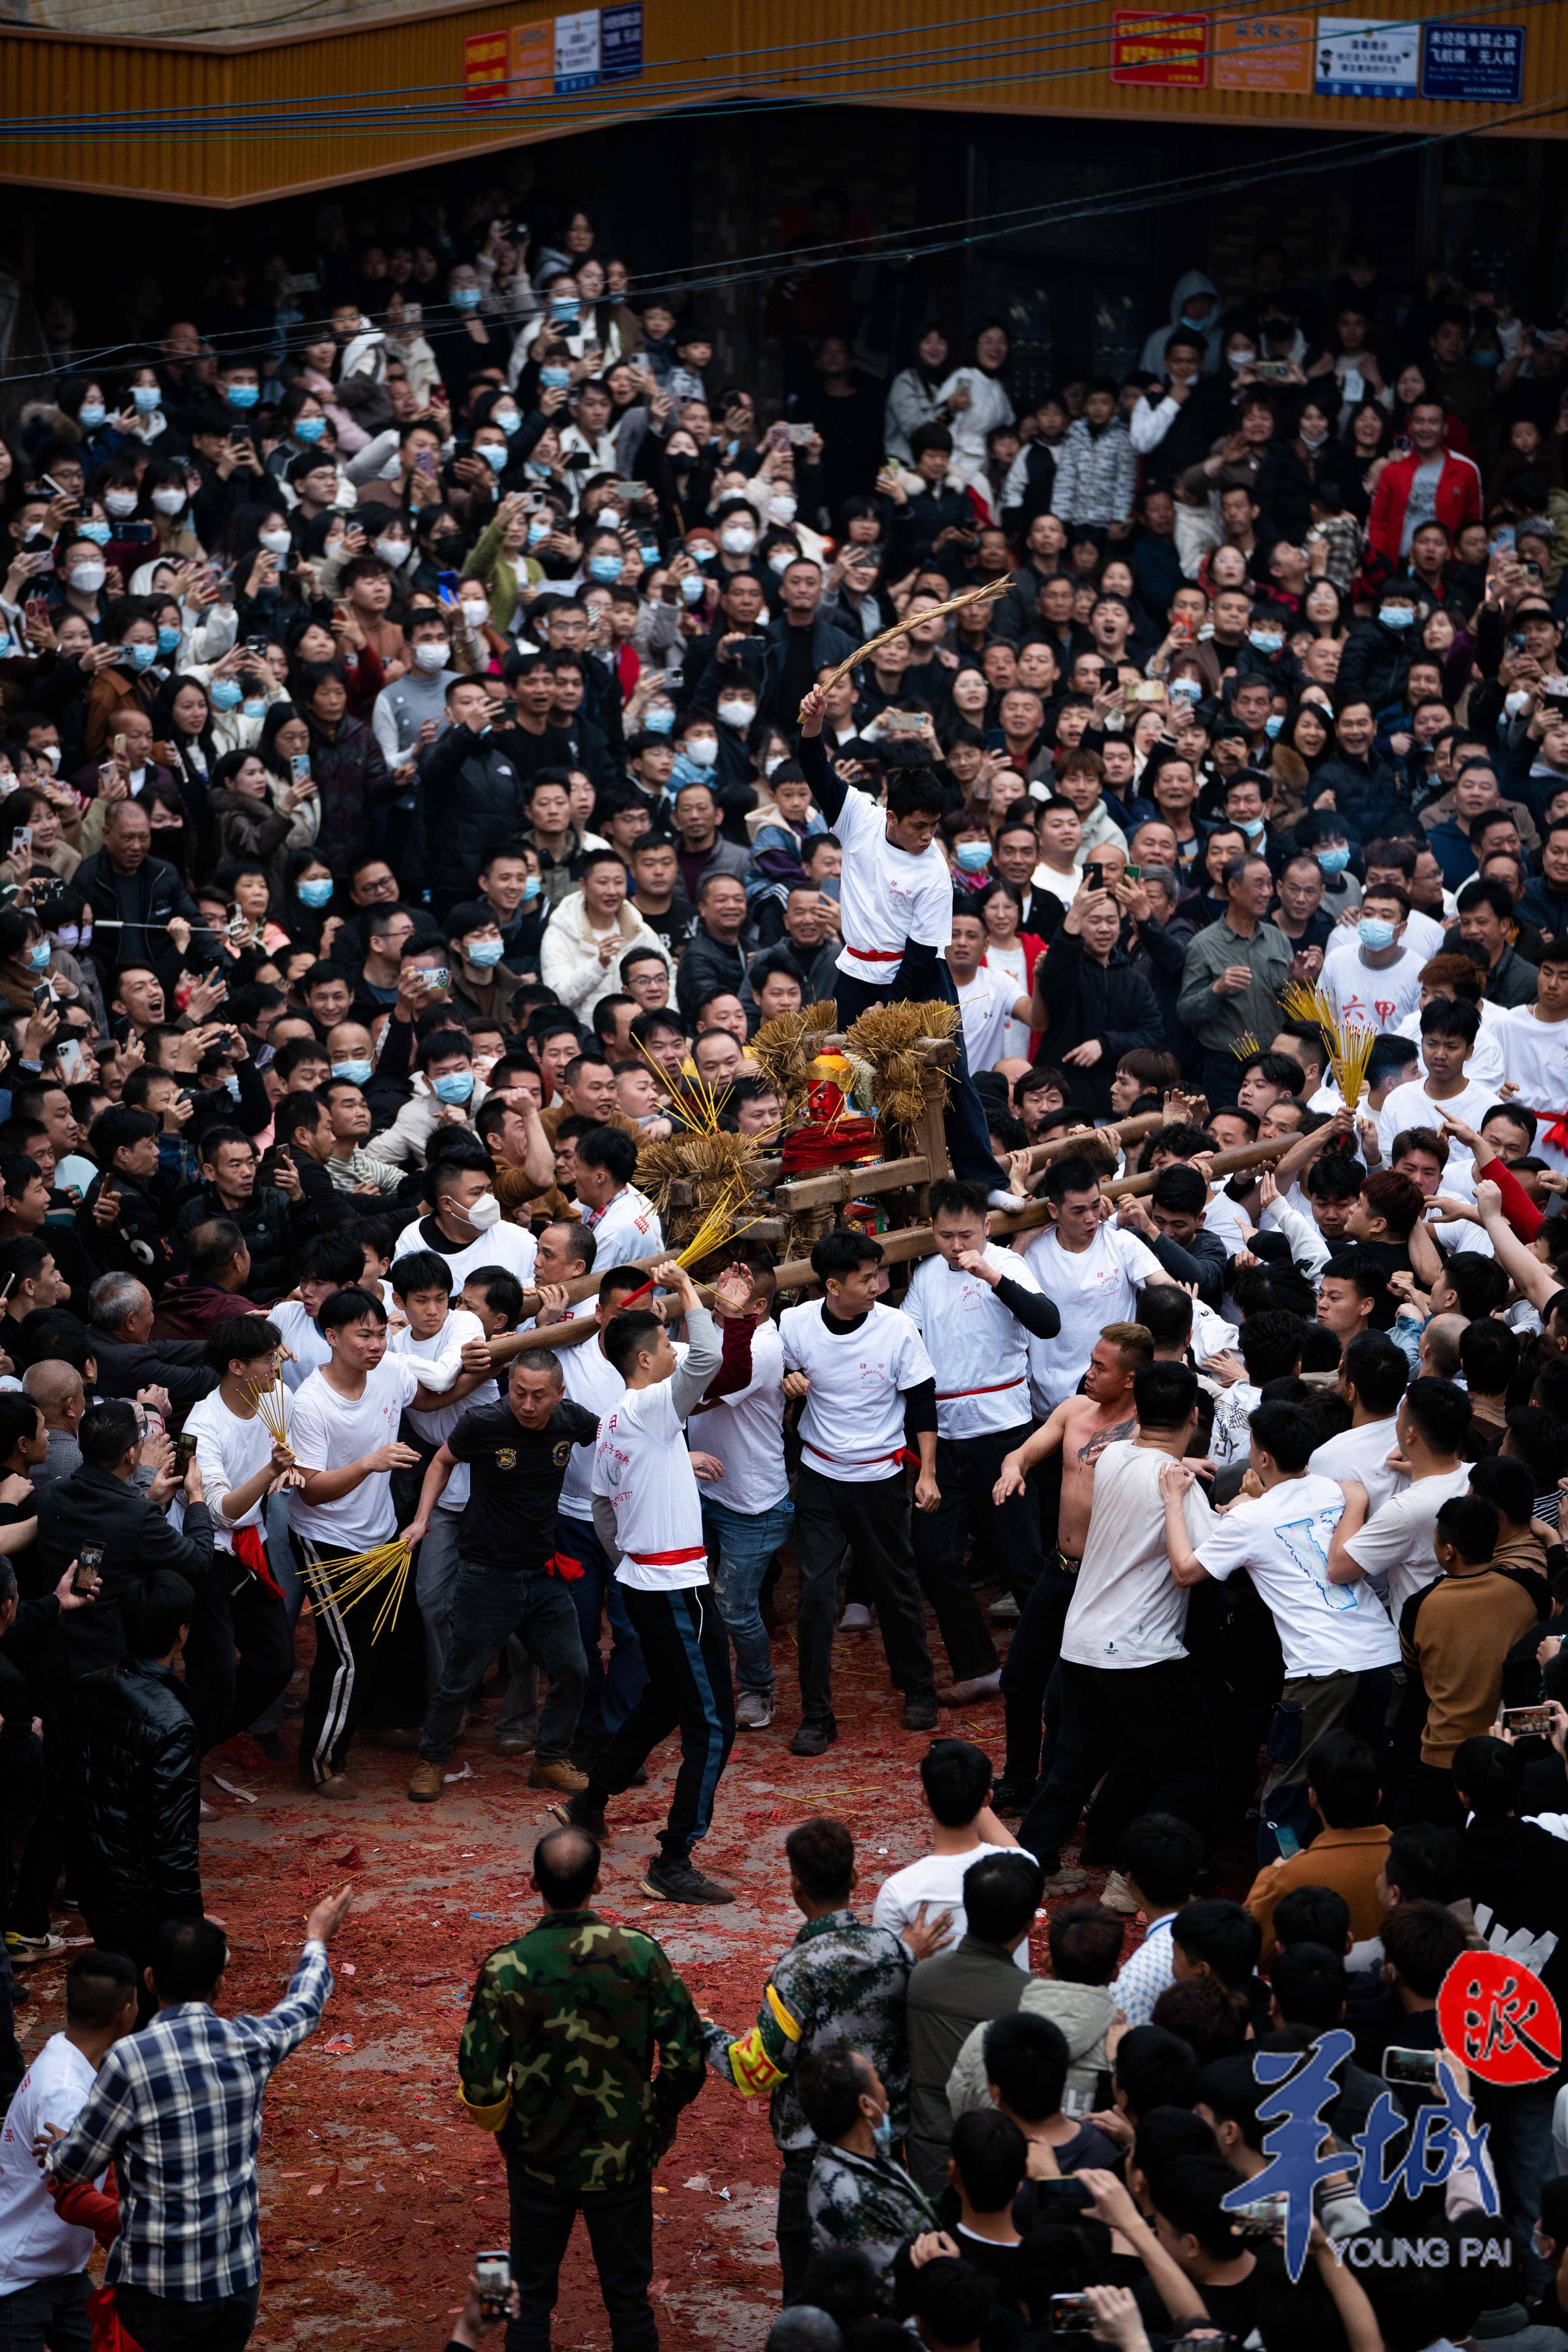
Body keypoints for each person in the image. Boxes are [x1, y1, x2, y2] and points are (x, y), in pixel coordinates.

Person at [44, 1886, 354, 2352]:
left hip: (158, 2291)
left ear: (149, 1981)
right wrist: (316, 1937)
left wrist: (59, 2148)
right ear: (220, 1986)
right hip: (236, 2285)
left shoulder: (130, 2060)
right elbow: (304, 2006)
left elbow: (74, 2168)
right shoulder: (250, 2043)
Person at [456, 1825, 705, 2352]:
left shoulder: (507, 1967)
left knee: (527, 2299)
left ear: (533, 1884)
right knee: (629, 2302)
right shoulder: (641, 1954)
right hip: (623, 2157)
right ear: (599, 1883)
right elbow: (687, 2057)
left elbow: (479, 2083)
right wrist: (660, 2115)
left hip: (538, 2158)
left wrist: (508, 2131)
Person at [555, 1261, 744, 1905]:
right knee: (714, 1723)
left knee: (665, 1701)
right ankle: (675, 1857)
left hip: (647, 1579)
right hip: (675, 1586)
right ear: (643, 1359)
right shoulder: (650, 1406)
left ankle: (590, 1799)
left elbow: (604, 1508)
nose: (674, 1349)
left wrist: (629, 1561)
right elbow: (709, 1358)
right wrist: (692, 1288)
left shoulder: (613, 1419)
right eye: (664, 1343)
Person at [795, 685, 1020, 1206]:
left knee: (952, 1076)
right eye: (919, 826)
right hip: (854, 971)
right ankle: (853, 1186)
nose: (927, 836)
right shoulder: (860, 816)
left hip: (917, 979)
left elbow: (922, 956)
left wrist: (890, 1006)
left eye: (934, 827)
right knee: (848, 1076)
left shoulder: (935, 872)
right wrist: (814, 722)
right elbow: (815, 768)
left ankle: (985, 1183)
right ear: (892, 816)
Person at [1162, 1398, 1401, 1859]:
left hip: (1321, 1671)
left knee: (1288, 1795)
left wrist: (1175, 1502)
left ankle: (1283, 1880)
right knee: (1368, 1784)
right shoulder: (1336, 1491)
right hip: (1382, 1656)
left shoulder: (1252, 1518)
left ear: (1263, 1458)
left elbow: (1186, 1571)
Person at [703, 1816, 927, 2305]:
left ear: (795, 1887)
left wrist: (699, 2030)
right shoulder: (896, 1954)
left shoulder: (796, 1970)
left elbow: (755, 2068)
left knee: (810, 2308)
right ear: (854, 1879)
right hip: (887, 2153)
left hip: (812, 2167)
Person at [1015, 1362, 1213, 1887]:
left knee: (1073, 1767)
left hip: (1082, 1641)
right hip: (1140, 1651)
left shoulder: (1114, 1455)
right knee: (1190, 1767)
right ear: (1194, 1415)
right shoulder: (1182, 1491)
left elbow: (1144, 1456)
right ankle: (1135, 1878)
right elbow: (1209, 1561)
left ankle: (1032, 1866)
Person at [286, 1283, 469, 1799]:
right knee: (343, 1656)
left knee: (375, 1644)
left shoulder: (390, 1371)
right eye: (363, 1336)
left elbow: (432, 1398)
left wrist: (484, 1372)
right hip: (326, 1541)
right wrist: (370, 1463)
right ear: (332, 1337)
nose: (376, 1345)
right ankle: (320, 1764)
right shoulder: (311, 1403)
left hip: (381, 1536)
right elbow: (313, 1491)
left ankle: (365, 1728)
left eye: (380, 1334)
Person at [401, 1349, 601, 1803]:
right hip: (486, 1573)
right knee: (460, 1678)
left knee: (573, 1670)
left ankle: (549, 1758)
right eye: (519, 1393)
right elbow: (441, 1462)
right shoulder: (484, 1423)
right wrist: (421, 1519)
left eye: (538, 1396)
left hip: (544, 1573)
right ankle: (431, 1760)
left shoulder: (572, 1420)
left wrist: (678, 1459)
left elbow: (617, 1439)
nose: (527, 1405)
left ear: (560, 1394)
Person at [780, 1228, 940, 1756]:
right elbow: (777, 1370)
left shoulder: (897, 1329)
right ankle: (817, 1714)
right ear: (832, 1285)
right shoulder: (796, 1326)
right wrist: (789, 1378)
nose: (878, 1285)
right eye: (867, 1278)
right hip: (822, 1479)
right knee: (815, 1598)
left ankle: (917, 1687)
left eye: (878, 1274)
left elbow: (921, 1404)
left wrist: (927, 1473)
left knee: (896, 1585)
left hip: (881, 1478)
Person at [901, 1180, 1059, 1707]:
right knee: (936, 1557)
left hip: (1005, 1435)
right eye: (945, 1235)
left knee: (1022, 1559)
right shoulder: (925, 1278)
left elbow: (1048, 1323)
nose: (956, 1245)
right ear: (932, 1232)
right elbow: (907, 1347)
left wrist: (991, 1274)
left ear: (987, 1228)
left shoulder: (1009, 1267)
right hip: (943, 1438)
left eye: (966, 1234)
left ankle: (1052, 1665)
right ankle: (978, 1667)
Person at [68, 1567, 207, 2016]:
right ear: (181, 1634)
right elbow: (174, 1843)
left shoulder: (89, 1688)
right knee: (153, 2017)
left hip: (94, 1879)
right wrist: (190, 1928)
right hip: (141, 1898)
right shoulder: (175, 1725)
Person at [0, 1949, 138, 2348]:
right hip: (20, 2280)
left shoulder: (64, 2056)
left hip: (58, 2266)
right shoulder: (66, 2094)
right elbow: (82, 2197)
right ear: (125, 2012)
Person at [904, 1849, 1045, 2195]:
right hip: (1002, 2161)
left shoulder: (921, 1978)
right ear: (1030, 1925)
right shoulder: (1032, 1999)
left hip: (931, 2156)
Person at [799, 2045, 937, 2294]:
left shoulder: (866, 2155)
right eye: (877, 2079)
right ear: (866, 2105)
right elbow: (895, 2290)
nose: (885, 2089)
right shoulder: (850, 2197)